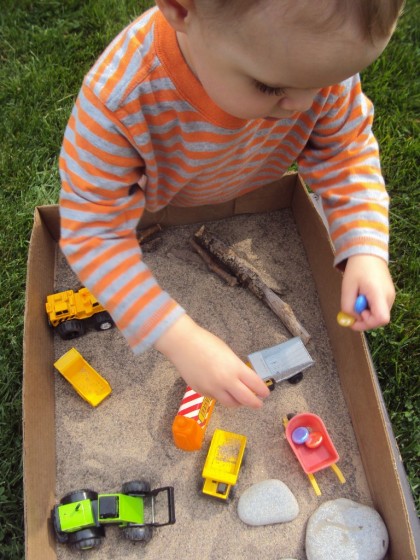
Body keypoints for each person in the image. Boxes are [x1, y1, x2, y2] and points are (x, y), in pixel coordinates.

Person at [59, 0, 401, 409]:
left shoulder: (305, 63)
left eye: (330, 82)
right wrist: (180, 338)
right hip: (168, 191)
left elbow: (345, 150)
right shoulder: (119, 101)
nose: (306, 104)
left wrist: (365, 248)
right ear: (181, 10)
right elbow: (93, 231)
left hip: (232, 175)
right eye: (271, 88)